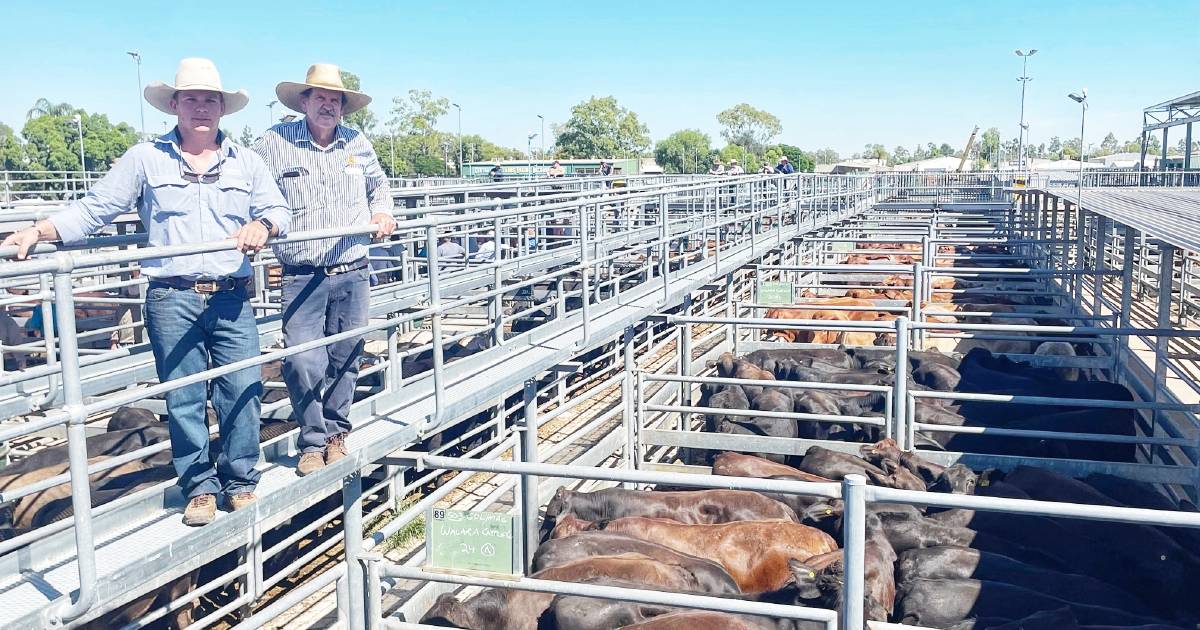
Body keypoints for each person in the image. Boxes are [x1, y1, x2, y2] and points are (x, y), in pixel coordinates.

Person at [1, 58, 291, 526]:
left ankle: (239, 481)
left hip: (231, 293)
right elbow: (97, 209)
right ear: (174, 104)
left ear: (222, 108)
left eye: (210, 99)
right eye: (192, 98)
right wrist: (39, 231)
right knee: (184, 396)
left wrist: (264, 222)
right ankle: (198, 488)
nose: (201, 107)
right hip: (171, 296)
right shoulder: (144, 159)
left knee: (243, 388)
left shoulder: (247, 162)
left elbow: (279, 207)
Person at [253, 63, 396, 477]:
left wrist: (382, 211)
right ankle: (311, 439)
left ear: (343, 108)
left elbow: (379, 186)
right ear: (304, 102)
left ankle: (335, 435)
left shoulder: (357, 142)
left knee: (348, 354)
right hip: (302, 272)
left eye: (336, 100)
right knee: (302, 360)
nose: (329, 106)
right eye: (321, 98)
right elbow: (250, 188)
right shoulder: (274, 142)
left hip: (352, 268)